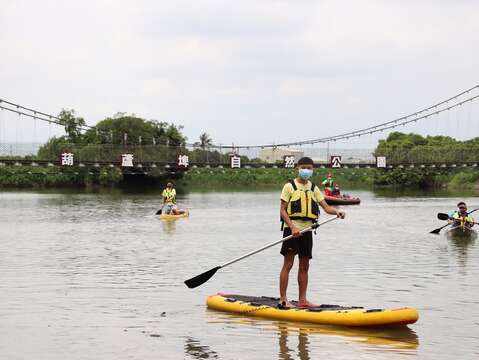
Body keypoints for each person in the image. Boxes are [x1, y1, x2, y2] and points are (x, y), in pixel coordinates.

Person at [280, 157, 345, 309]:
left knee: (304, 265)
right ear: (297, 168)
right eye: (303, 167)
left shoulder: (313, 188)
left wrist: (337, 212)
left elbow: (326, 207)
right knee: (288, 264)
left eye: (309, 168)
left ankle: (302, 300)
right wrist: (292, 227)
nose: (306, 171)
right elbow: (282, 210)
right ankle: (283, 299)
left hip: (307, 231)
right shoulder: (289, 186)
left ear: (312, 169)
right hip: (292, 230)